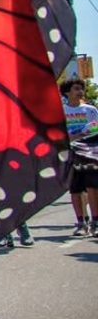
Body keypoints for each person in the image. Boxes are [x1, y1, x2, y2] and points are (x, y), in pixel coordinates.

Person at [62, 78, 98, 236]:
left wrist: (86, 133)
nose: (80, 91)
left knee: (93, 187)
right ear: (67, 92)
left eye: (81, 88)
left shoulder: (90, 110)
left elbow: (96, 129)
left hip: (91, 152)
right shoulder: (61, 111)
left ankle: (95, 222)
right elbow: (58, 135)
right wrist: (75, 136)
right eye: (76, 88)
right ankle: (81, 223)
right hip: (71, 153)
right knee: (75, 189)